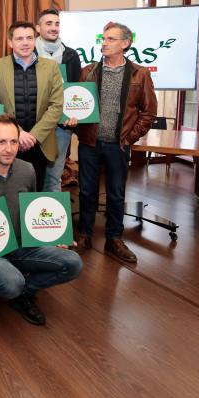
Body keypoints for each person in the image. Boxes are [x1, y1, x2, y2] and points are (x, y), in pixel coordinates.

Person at [0, 114, 82, 326]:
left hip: (22, 246)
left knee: (73, 263)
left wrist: (51, 237)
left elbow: (32, 213)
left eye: (13, 141)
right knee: (12, 283)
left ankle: (22, 293)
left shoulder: (27, 170)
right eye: (1, 141)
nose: (8, 148)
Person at [75, 22, 158, 263]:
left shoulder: (139, 74)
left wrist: (129, 138)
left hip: (118, 145)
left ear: (125, 43)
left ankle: (114, 239)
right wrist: (74, 122)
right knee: (87, 192)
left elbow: (148, 113)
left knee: (116, 194)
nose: (105, 43)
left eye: (111, 39)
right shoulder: (88, 71)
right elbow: (78, 105)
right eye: (104, 39)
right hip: (89, 143)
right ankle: (85, 235)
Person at [0, 21, 64, 191]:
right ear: (10, 42)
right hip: (7, 142)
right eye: (19, 38)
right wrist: (18, 132)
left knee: (34, 194)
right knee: (5, 192)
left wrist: (34, 136)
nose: (25, 43)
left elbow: (56, 105)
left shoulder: (51, 67)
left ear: (35, 40)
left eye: (29, 38)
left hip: (39, 143)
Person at [35, 9, 82, 192]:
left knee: (54, 178)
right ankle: (28, 219)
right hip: (33, 125)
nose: (54, 28)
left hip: (61, 127)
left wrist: (74, 117)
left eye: (57, 23)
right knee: (31, 175)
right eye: (48, 23)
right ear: (38, 28)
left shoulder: (71, 56)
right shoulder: (28, 53)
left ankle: (51, 220)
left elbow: (76, 90)